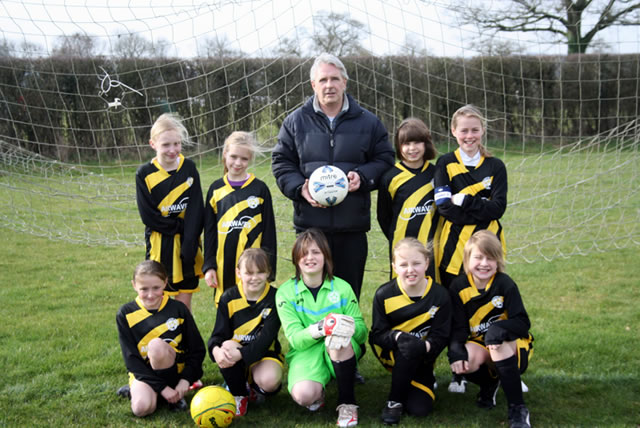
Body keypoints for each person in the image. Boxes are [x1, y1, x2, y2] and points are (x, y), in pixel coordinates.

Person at [272, 53, 394, 300]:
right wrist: (299, 188)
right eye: (323, 80)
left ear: (345, 83)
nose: (330, 85)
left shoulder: (368, 122)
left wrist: (363, 177)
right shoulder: (295, 122)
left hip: (352, 229)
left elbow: (385, 160)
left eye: (335, 79)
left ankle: (349, 340)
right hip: (310, 227)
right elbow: (282, 163)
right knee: (312, 297)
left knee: (348, 297)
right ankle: (313, 339)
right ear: (313, 85)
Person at [434, 104, 508, 393]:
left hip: (489, 249)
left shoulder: (495, 166)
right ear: (454, 132)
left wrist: (464, 201)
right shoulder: (445, 163)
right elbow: (442, 207)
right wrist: (480, 208)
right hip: (453, 252)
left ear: (482, 131)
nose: (469, 135)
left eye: (474, 130)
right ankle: (459, 373)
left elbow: (498, 209)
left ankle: (505, 367)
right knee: (458, 311)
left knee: (494, 307)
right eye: (463, 130)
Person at [275, 229, 367, 427]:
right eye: (304, 253)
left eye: (316, 252)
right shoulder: (285, 293)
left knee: (338, 340)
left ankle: (347, 403)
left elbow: (362, 332)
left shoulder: (342, 287)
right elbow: (295, 340)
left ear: (325, 256)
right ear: (296, 259)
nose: (310, 258)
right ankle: (319, 391)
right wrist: (322, 327)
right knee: (303, 396)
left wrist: (347, 327)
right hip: (306, 351)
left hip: (341, 348)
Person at [448, 230, 533, 428]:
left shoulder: (505, 284)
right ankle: (490, 383)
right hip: (480, 343)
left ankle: (518, 409)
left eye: (490, 258)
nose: (484, 264)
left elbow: (522, 322)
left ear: (498, 261)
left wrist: (498, 330)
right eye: (478, 257)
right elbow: (459, 327)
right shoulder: (458, 286)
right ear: (468, 259)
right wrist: (455, 352)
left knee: (497, 344)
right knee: (465, 360)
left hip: (512, 344)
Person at [369, 238, 451, 425]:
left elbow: (441, 336)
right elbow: (376, 335)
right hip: (393, 352)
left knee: (420, 409)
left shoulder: (440, 295)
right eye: (403, 264)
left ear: (427, 264)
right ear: (394, 267)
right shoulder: (384, 294)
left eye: (416, 263)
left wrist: (424, 347)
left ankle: (416, 380)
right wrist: (398, 337)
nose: (410, 269)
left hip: (424, 355)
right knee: (407, 346)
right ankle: (394, 402)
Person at [116, 260, 206, 417]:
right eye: (144, 289)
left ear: (165, 283)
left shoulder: (178, 309)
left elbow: (197, 350)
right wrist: (162, 389)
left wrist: (185, 380)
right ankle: (150, 392)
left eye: (156, 288)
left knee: (156, 346)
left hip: (175, 372)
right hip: (145, 374)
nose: (150, 295)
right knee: (142, 409)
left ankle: (175, 398)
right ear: (134, 285)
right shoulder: (126, 313)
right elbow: (131, 360)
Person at [135, 113, 204, 311]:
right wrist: (180, 227)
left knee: (183, 307)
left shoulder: (189, 168)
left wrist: (189, 240)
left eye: (177, 143)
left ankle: (184, 341)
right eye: (166, 145)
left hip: (188, 244)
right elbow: (148, 217)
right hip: (160, 245)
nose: (172, 150)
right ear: (153, 144)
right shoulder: (144, 174)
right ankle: (159, 339)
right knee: (159, 302)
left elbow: (196, 208)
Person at [203, 131, 277, 306]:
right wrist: (209, 266)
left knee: (253, 311)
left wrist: (269, 269)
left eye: (243, 159)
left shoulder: (260, 189)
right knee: (227, 310)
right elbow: (210, 233)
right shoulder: (216, 189)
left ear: (250, 159)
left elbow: (269, 232)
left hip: (254, 267)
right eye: (233, 156)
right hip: (224, 265)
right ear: (225, 155)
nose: (237, 163)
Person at [207, 248, 283, 417]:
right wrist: (216, 351)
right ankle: (239, 395)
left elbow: (265, 340)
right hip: (235, 352)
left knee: (270, 381)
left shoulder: (275, 298)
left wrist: (241, 354)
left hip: (264, 354)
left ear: (268, 273)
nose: (254, 278)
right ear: (238, 273)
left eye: (260, 272)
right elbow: (217, 335)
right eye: (249, 273)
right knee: (225, 346)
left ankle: (254, 388)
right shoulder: (228, 297)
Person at [377, 118, 440, 281]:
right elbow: (384, 216)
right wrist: (397, 237)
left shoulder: (437, 173)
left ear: (426, 144)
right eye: (406, 143)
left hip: (433, 246)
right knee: (402, 289)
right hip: (402, 246)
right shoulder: (390, 177)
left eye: (417, 142)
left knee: (433, 290)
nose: (412, 148)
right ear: (399, 146)